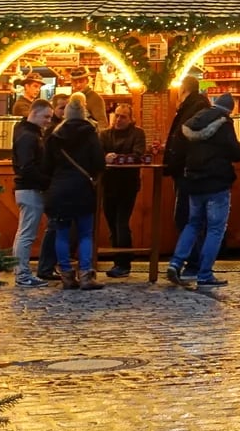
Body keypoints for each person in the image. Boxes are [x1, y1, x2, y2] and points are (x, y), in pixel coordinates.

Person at [166, 93, 240, 288]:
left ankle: (176, 262)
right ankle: (205, 272)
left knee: (193, 223)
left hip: (193, 180)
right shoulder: (224, 124)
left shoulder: (193, 122)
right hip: (217, 182)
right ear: (229, 110)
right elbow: (235, 152)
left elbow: (180, 149)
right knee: (216, 228)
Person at [45, 100, 105, 290]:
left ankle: (66, 276)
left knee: (61, 233)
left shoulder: (54, 136)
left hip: (60, 189)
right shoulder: (90, 134)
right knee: (85, 233)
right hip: (82, 189)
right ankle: (86, 275)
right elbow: (99, 163)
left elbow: (46, 166)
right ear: (84, 114)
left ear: (66, 115)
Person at [163, 85, 211, 272]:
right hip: (193, 172)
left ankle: (193, 263)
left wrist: (173, 164)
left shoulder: (191, 110)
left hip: (188, 172)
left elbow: (182, 142)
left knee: (188, 218)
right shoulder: (199, 109)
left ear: (183, 92)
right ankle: (194, 263)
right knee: (194, 218)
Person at [10, 100, 54, 287]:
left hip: (27, 188)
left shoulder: (25, 132)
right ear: (34, 113)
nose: (48, 121)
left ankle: (21, 271)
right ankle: (23, 274)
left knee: (24, 232)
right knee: (27, 233)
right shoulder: (29, 137)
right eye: (46, 116)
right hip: (30, 188)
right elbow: (27, 167)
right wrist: (47, 181)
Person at [98, 103, 145, 278]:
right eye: (116, 115)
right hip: (108, 184)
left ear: (131, 119)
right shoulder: (105, 134)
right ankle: (119, 260)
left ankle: (123, 262)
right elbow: (97, 154)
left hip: (127, 185)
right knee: (112, 224)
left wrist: (116, 158)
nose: (118, 119)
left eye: (123, 116)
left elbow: (138, 155)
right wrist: (104, 157)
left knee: (121, 223)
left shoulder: (137, 134)